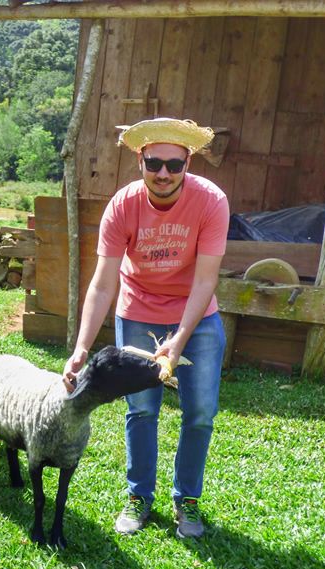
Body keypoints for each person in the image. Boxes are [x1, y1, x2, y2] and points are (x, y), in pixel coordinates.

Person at [62, 117, 229, 540]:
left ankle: (186, 500)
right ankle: (139, 495)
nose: (164, 174)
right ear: (141, 160)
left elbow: (205, 280)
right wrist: (82, 348)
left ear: (188, 162)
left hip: (198, 316)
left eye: (175, 165)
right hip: (137, 312)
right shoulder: (122, 205)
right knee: (141, 410)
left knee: (201, 413)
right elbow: (103, 284)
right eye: (154, 162)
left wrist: (180, 339)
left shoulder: (211, 202)